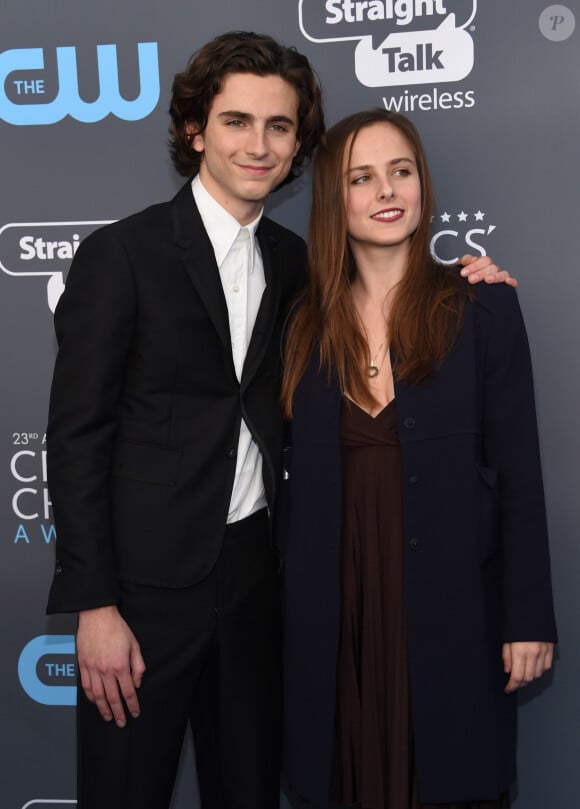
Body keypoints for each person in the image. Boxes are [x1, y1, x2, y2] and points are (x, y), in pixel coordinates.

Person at [45, 30, 514, 809]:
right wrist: (96, 606)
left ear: (299, 145)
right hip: (140, 598)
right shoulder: (120, 257)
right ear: (196, 128)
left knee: (254, 791)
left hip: (262, 587)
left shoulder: (302, 265)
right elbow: (76, 436)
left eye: (280, 126)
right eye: (237, 121)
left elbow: (388, 295)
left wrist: (470, 276)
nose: (258, 145)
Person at [278, 109, 557, 809]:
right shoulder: (300, 323)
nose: (386, 191)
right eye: (361, 178)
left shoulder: (482, 308)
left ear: (422, 183)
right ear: (332, 200)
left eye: (400, 171)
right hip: (333, 614)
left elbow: (519, 473)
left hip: (453, 606)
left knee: (450, 778)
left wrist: (528, 617)